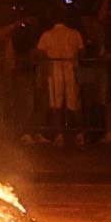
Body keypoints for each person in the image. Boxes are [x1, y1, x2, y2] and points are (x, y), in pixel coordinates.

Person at [32, 11, 86, 146]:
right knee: (74, 104)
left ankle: (59, 134)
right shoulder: (74, 33)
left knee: (56, 104)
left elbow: (40, 53)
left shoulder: (47, 35)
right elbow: (82, 51)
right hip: (71, 70)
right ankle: (80, 133)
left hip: (54, 72)